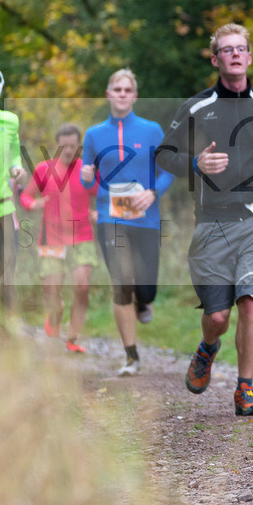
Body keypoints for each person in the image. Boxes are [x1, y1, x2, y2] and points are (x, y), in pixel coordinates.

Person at [157, 23, 253, 417]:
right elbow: (164, 155)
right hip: (211, 221)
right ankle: (208, 346)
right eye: (226, 50)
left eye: (241, 49)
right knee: (217, 316)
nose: (234, 54)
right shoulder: (195, 107)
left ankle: (245, 389)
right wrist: (195, 163)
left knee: (251, 301)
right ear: (216, 59)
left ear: (248, 57)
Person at [81, 68, 174, 375]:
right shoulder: (94, 134)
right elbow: (86, 180)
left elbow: (168, 170)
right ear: (108, 93)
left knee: (145, 290)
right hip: (110, 218)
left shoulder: (151, 130)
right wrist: (86, 178)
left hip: (146, 218)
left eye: (127, 90)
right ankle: (131, 356)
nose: (121, 94)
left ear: (134, 95)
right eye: (116, 89)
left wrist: (152, 193)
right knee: (121, 284)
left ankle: (145, 301)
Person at [19, 123, 98, 353]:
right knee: (52, 291)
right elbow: (26, 195)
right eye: (63, 146)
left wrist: (98, 212)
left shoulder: (87, 170)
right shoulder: (45, 169)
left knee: (82, 287)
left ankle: (73, 339)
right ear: (57, 145)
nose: (67, 150)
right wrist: (32, 204)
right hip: (51, 239)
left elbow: (102, 195)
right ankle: (56, 313)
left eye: (72, 146)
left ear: (79, 146)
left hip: (81, 237)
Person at [0, 66, 26, 317]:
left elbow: (14, 152)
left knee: (7, 267)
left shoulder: (9, 120)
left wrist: (17, 167)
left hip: (3, 207)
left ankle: (7, 327)